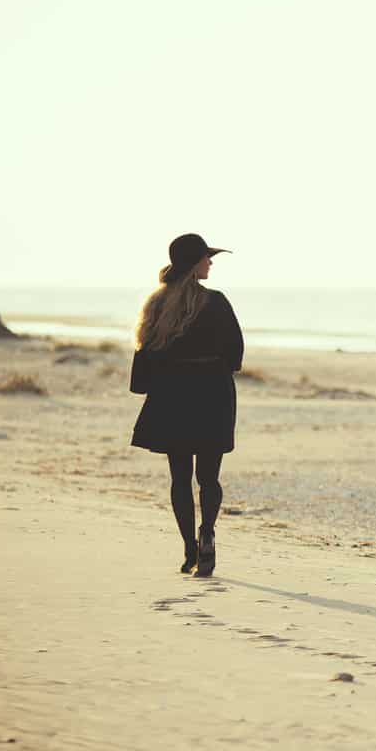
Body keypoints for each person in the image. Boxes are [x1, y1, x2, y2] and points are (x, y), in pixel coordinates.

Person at [130, 233, 243, 577]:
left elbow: (143, 359)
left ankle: (190, 551)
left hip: (172, 397)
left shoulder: (156, 304)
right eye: (207, 257)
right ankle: (207, 532)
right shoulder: (217, 301)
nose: (210, 262)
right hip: (212, 394)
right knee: (208, 477)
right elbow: (236, 354)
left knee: (180, 478)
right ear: (195, 264)